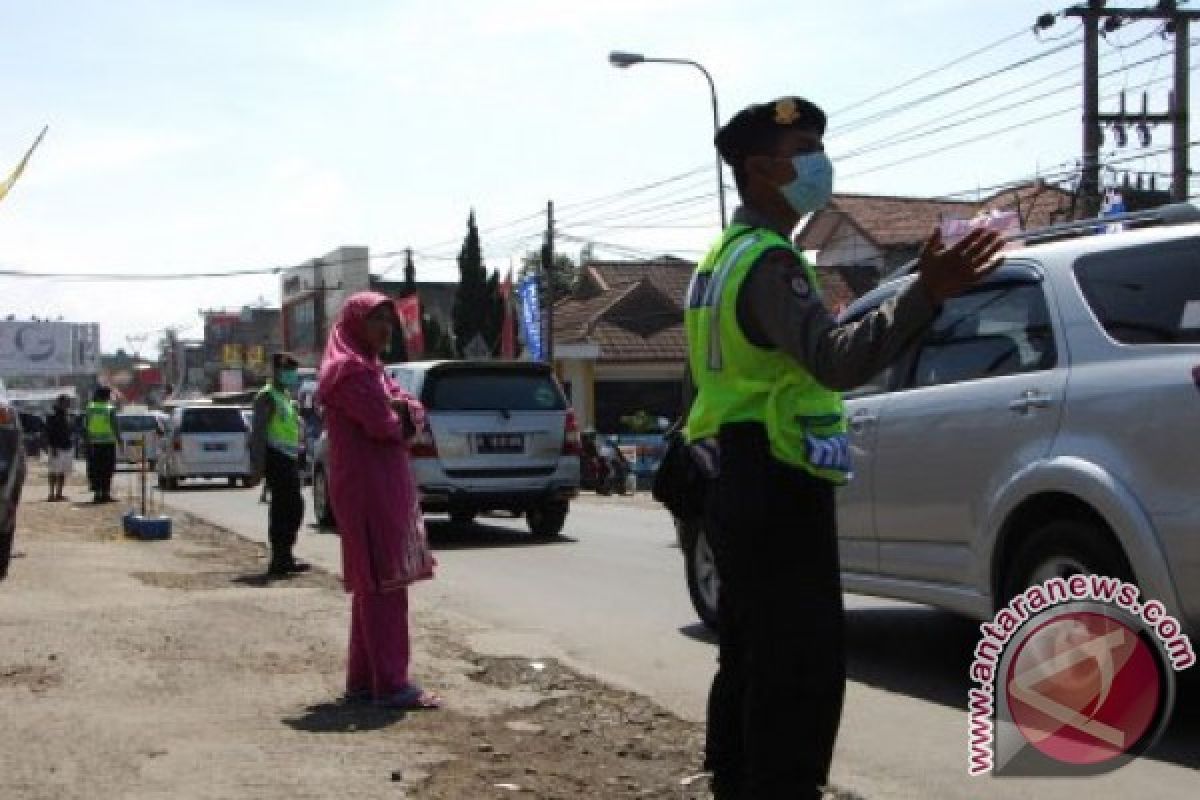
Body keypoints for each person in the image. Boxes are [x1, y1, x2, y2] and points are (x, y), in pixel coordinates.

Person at [684, 96, 1004, 799]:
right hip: (773, 479)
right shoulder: (770, 262)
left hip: (734, 472)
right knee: (799, 663)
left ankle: (738, 782)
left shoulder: (721, 256)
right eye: (804, 149)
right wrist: (926, 291)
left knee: (751, 652)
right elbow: (834, 361)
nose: (819, 163)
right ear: (762, 169)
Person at [316, 291, 440, 710]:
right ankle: (389, 682)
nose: (386, 329)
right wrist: (402, 413)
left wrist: (403, 410)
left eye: (390, 321)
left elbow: (412, 411)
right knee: (384, 583)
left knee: (375, 585)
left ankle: (365, 681)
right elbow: (387, 423)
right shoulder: (351, 371)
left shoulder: (370, 368)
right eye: (377, 320)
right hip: (368, 488)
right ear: (355, 324)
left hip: (380, 484)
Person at [248, 353, 310, 577]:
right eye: (287, 371)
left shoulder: (285, 397)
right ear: (275, 372)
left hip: (289, 459)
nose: (291, 375)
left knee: (294, 508)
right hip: (276, 458)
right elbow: (258, 435)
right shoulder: (266, 397)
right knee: (283, 508)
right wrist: (258, 468)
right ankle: (279, 558)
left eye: (292, 371)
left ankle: (285, 555)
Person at [84, 386, 121, 503]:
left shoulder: (90, 408)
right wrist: (119, 440)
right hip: (108, 443)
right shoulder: (110, 408)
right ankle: (105, 493)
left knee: (95, 469)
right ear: (106, 396)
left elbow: (85, 425)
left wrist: (87, 440)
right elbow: (114, 425)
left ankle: (97, 494)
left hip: (94, 443)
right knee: (107, 469)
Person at [44, 394, 74, 502]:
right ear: (60, 403)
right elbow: (48, 433)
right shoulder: (52, 415)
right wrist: (53, 447)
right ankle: (51, 494)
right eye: (66, 402)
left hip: (67, 446)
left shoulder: (68, 415)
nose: (68, 404)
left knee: (62, 471)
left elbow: (70, 431)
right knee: (53, 471)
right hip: (56, 448)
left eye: (68, 402)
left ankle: (59, 494)